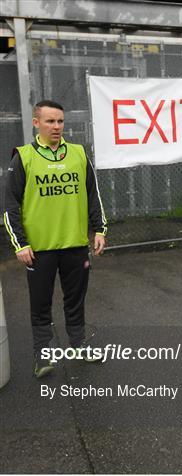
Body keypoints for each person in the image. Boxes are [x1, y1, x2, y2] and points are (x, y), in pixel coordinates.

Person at [3, 100, 107, 378]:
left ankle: (78, 344)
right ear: (36, 123)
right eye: (50, 121)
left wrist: (99, 229)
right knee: (40, 304)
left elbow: (92, 195)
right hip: (39, 250)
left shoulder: (78, 153)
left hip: (74, 245)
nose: (57, 127)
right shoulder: (23, 157)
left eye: (60, 121)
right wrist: (20, 243)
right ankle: (42, 355)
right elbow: (10, 206)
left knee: (75, 300)